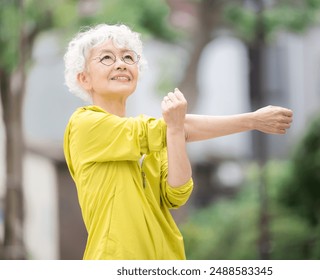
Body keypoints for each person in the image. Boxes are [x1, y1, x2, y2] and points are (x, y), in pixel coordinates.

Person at [63, 23, 293, 260]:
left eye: (128, 57)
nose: (121, 64)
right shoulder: (85, 124)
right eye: (107, 58)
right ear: (84, 78)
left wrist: (174, 132)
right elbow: (168, 128)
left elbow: (176, 192)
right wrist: (252, 120)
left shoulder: (150, 138)